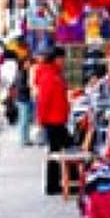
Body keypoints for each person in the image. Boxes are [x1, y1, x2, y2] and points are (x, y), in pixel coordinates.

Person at [36, 46, 70, 196]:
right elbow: (44, 100)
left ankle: (58, 182)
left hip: (57, 119)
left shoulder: (54, 74)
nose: (64, 61)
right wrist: (41, 120)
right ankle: (53, 185)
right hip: (53, 120)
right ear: (56, 59)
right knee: (57, 152)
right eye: (62, 58)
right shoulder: (49, 76)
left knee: (59, 151)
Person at [15, 57, 34, 146]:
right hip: (23, 99)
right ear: (23, 64)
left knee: (26, 120)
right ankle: (23, 139)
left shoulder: (25, 73)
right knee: (24, 120)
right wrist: (29, 87)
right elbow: (20, 87)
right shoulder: (21, 73)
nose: (29, 64)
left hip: (25, 98)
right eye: (27, 63)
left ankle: (26, 138)